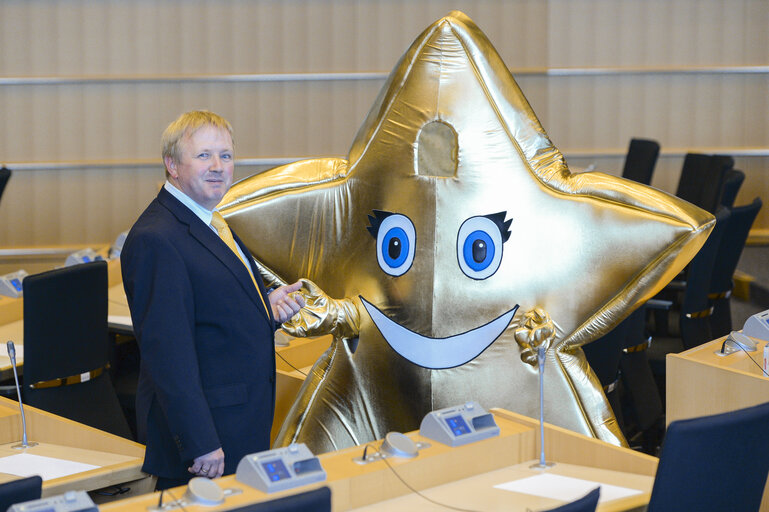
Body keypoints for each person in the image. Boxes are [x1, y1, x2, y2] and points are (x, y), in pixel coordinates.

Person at [121, 110, 305, 489]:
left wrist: (263, 308)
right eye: (204, 155)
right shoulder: (157, 238)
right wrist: (199, 442)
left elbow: (209, 312)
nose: (219, 167)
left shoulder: (210, 220)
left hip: (237, 424)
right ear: (172, 165)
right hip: (208, 442)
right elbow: (168, 356)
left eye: (226, 155)